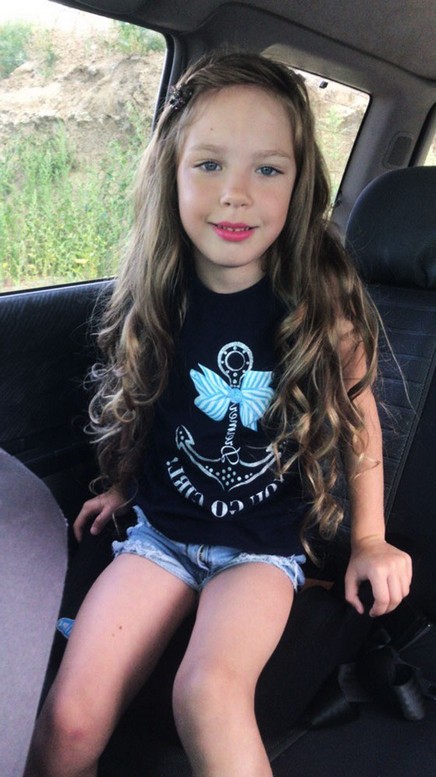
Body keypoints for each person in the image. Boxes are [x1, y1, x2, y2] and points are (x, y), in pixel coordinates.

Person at [24, 51, 412, 777]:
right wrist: (122, 485)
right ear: (169, 174)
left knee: (207, 694)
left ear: (300, 185)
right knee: (70, 716)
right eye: (208, 165)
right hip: (159, 536)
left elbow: (357, 421)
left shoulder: (319, 308)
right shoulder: (159, 296)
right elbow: (148, 406)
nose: (235, 194)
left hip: (260, 551)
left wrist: (369, 538)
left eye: (268, 169)